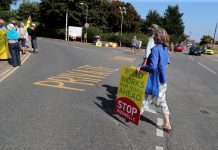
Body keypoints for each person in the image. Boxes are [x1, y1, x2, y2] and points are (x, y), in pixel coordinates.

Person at [137, 28, 172, 133]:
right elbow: (166, 63)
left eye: (154, 36)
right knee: (162, 102)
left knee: (146, 99)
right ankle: (167, 124)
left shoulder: (156, 49)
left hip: (155, 81)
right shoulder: (165, 49)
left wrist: (141, 68)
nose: (153, 38)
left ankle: (134, 116)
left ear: (157, 38)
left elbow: (152, 66)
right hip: (163, 80)